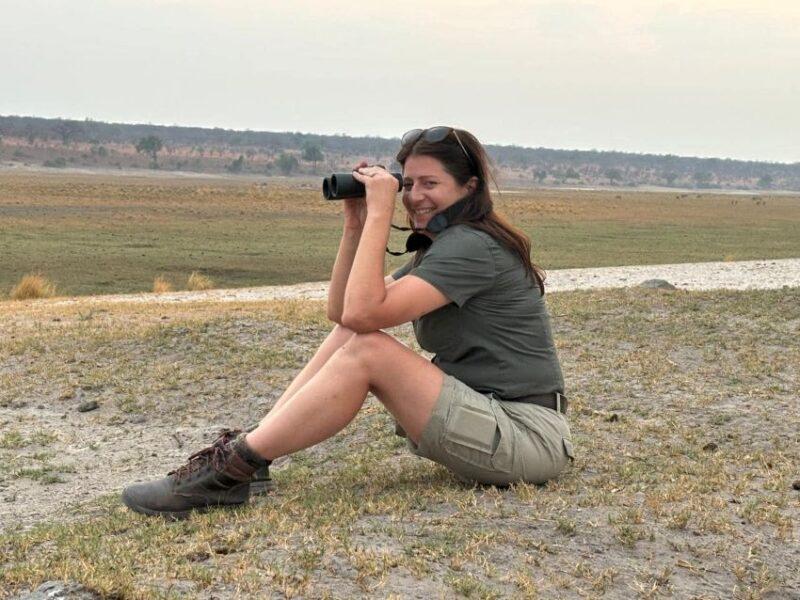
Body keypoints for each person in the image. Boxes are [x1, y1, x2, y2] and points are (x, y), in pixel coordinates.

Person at [121, 126, 574, 520]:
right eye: (408, 183)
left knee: (368, 350)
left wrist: (381, 214)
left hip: (527, 437)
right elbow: (344, 314)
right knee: (355, 337)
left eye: (431, 183)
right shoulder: (449, 246)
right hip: (495, 420)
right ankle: (249, 457)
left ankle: (230, 472)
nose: (414, 196)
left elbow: (363, 312)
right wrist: (356, 225)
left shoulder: (473, 247)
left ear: (470, 187)